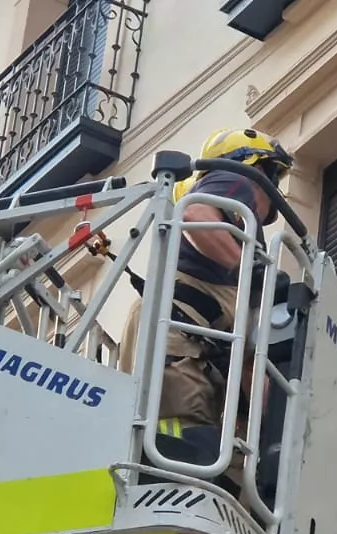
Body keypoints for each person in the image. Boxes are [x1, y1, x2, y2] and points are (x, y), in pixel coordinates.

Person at [120, 128, 295, 488]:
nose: (275, 190)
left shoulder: (248, 238)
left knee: (198, 438)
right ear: (255, 165)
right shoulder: (235, 183)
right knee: (175, 430)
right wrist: (250, 267)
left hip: (192, 343)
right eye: (274, 175)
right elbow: (197, 215)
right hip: (178, 334)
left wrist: (274, 425)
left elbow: (247, 356)